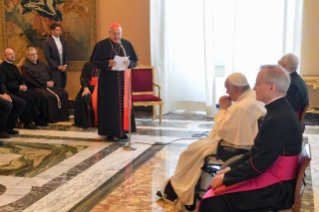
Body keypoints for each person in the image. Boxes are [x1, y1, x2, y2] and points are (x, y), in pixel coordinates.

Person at [199, 65, 303, 212]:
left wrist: (225, 179)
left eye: (257, 84)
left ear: (271, 87)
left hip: (278, 190)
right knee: (215, 191)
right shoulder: (278, 110)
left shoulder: (279, 118)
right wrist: (228, 170)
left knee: (213, 199)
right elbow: (254, 151)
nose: (253, 88)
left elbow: (258, 163)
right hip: (273, 177)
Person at [159, 73, 266, 210]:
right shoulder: (252, 98)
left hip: (233, 147)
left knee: (189, 153)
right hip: (243, 144)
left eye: (227, 89)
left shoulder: (240, 107)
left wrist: (222, 108)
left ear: (235, 90)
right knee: (195, 146)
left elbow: (222, 128)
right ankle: (179, 188)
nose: (226, 93)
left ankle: (183, 192)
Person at [89, 22, 139, 140]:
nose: (117, 36)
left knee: (122, 106)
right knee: (109, 106)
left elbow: (134, 62)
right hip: (107, 82)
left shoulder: (126, 44)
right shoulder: (101, 45)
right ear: (109, 33)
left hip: (123, 81)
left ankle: (122, 131)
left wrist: (129, 63)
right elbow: (94, 62)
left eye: (119, 34)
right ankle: (109, 132)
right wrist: (107, 63)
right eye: (115, 34)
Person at [0, 48, 46, 129]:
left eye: (13, 53)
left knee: (36, 96)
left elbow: (21, 79)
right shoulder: (2, 68)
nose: (13, 55)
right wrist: (18, 87)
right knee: (28, 98)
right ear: (4, 56)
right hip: (12, 90)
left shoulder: (14, 67)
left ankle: (39, 119)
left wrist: (23, 85)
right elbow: (4, 84)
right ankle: (27, 122)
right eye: (10, 54)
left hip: (19, 89)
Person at [22, 47, 69, 123]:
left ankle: (61, 117)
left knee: (64, 93)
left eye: (36, 54)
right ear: (28, 56)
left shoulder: (42, 64)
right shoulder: (26, 67)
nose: (35, 56)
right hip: (37, 87)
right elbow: (31, 80)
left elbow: (51, 74)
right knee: (47, 96)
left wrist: (53, 81)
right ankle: (50, 118)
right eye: (32, 54)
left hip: (49, 86)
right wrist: (45, 84)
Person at [278, 53, 309, 119]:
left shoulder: (292, 85)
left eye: (278, 65)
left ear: (283, 65)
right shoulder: (297, 79)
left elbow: (288, 110)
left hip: (291, 125)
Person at [74, 62, 99, 128]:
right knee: (85, 98)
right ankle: (87, 123)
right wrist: (85, 88)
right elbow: (83, 79)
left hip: (102, 89)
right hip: (89, 89)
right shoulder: (88, 65)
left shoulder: (107, 64)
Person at [43, 23, 68, 89]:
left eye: (60, 30)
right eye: (57, 30)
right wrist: (57, 67)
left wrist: (65, 65)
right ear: (52, 31)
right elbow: (47, 57)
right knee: (56, 88)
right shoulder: (47, 42)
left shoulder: (63, 41)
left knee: (63, 86)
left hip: (63, 69)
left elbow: (66, 54)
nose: (59, 32)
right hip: (54, 70)